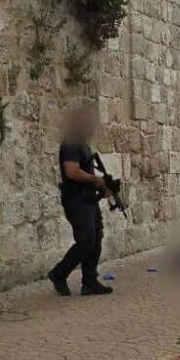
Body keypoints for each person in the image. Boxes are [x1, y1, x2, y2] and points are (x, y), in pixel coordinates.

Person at [48, 104, 114, 296]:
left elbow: (86, 172)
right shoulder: (71, 143)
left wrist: (103, 185)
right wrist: (95, 179)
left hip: (87, 199)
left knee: (96, 239)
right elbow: (72, 171)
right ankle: (59, 273)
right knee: (86, 241)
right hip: (76, 200)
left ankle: (89, 281)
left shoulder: (83, 144)